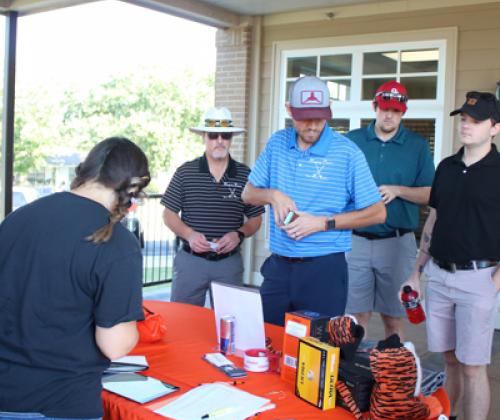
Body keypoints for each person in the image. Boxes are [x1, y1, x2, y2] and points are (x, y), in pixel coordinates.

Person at [0, 137, 150, 420]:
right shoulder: (117, 243)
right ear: (133, 186)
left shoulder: (17, 219)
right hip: (57, 409)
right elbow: (115, 345)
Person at [242, 75, 386, 326]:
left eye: (319, 117)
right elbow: (248, 194)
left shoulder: (347, 152)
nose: (311, 125)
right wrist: (273, 195)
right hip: (279, 267)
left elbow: (377, 213)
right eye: (303, 117)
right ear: (289, 110)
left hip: (325, 269)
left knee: (317, 351)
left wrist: (322, 223)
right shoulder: (277, 143)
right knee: (267, 341)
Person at [403, 92, 500, 420]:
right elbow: (436, 219)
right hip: (439, 277)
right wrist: (417, 271)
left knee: (474, 365)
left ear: (495, 128)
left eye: (475, 120)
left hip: (479, 279)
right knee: (449, 360)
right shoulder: (445, 166)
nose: (466, 125)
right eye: (463, 119)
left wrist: (494, 283)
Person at [345, 81, 435, 338]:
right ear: (375, 106)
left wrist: (398, 190)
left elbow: (430, 193)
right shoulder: (353, 141)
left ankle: (395, 376)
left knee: (393, 318)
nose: (389, 115)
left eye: (395, 111)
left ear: (403, 112)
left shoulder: (416, 146)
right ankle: (352, 374)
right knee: (355, 316)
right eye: (384, 109)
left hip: (397, 242)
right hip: (355, 242)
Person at [162, 106, 265, 306]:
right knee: (184, 321)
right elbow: (168, 214)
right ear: (204, 136)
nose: (219, 141)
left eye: (225, 136)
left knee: (230, 322)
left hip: (229, 264)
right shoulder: (185, 172)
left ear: (231, 139)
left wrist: (239, 234)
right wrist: (189, 235)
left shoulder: (245, 174)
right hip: (190, 263)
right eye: (213, 135)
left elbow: (256, 218)